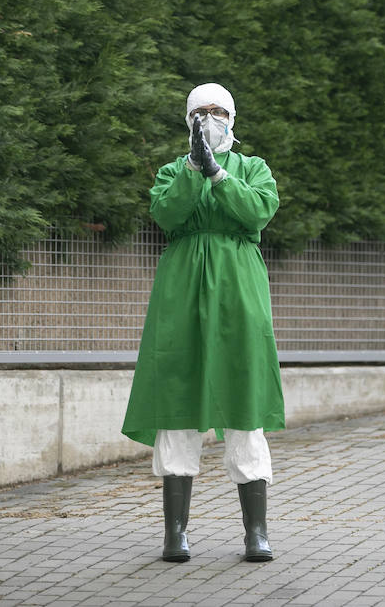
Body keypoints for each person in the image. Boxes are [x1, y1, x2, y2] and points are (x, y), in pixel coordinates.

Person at [121, 83, 285, 563]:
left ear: (233, 118)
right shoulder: (173, 169)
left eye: (218, 112)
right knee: (176, 395)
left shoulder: (254, 168)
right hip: (182, 288)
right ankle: (176, 533)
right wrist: (194, 169)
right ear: (187, 119)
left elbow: (258, 210)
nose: (209, 119)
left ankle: (257, 532)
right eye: (200, 113)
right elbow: (166, 213)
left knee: (244, 398)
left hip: (239, 288)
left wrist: (218, 174)